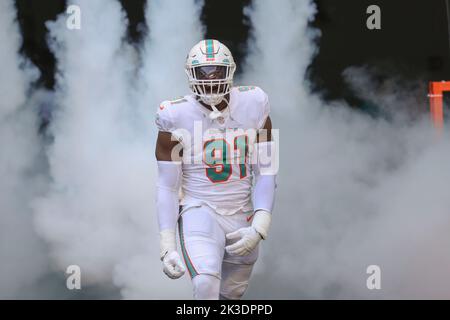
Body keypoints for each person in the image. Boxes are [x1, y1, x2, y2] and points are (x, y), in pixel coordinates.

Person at [155, 39, 277, 300]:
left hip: (242, 211)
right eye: (203, 73)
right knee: (205, 284)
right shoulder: (174, 115)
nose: (210, 79)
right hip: (199, 208)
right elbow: (167, 185)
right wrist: (167, 245)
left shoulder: (254, 103)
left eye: (217, 72)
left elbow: (266, 170)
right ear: (191, 75)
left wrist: (261, 222)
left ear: (230, 71)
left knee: (230, 296)